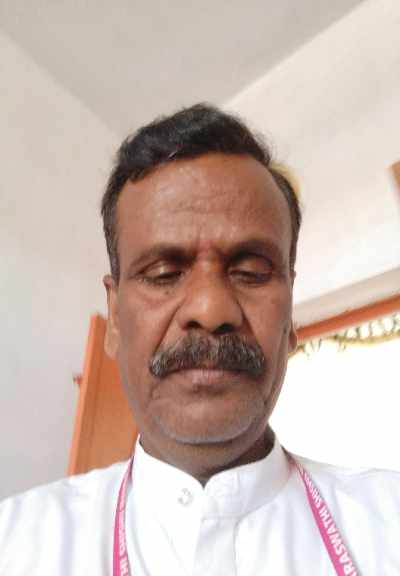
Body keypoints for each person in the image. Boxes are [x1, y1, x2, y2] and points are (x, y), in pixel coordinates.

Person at [0, 104, 399, 575]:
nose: (211, 310)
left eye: (251, 271)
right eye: (163, 273)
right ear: (115, 318)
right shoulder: (14, 542)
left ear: (290, 316)